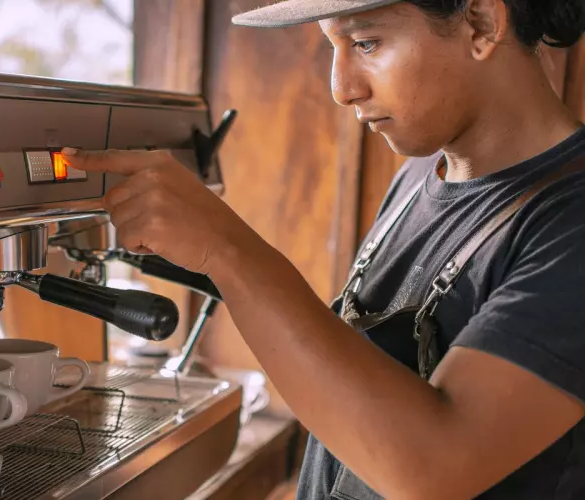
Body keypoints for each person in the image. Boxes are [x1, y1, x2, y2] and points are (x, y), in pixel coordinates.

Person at [62, 0, 585, 498]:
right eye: (333, 47)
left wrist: (226, 249)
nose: (341, 88)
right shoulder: (416, 178)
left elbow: (432, 468)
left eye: (366, 43)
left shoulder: (570, 220)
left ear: (481, 24)